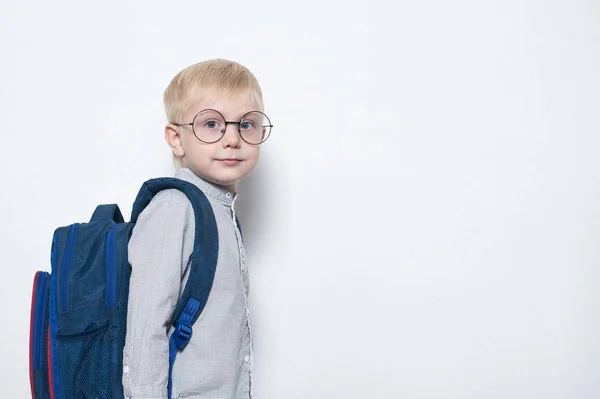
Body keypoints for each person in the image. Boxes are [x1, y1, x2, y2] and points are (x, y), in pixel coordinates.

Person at [122, 58, 272, 399]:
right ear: (176, 139)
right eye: (211, 124)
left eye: (246, 125)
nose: (232, 138)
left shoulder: (221, 211)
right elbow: (146, 329)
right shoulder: (175, 209)